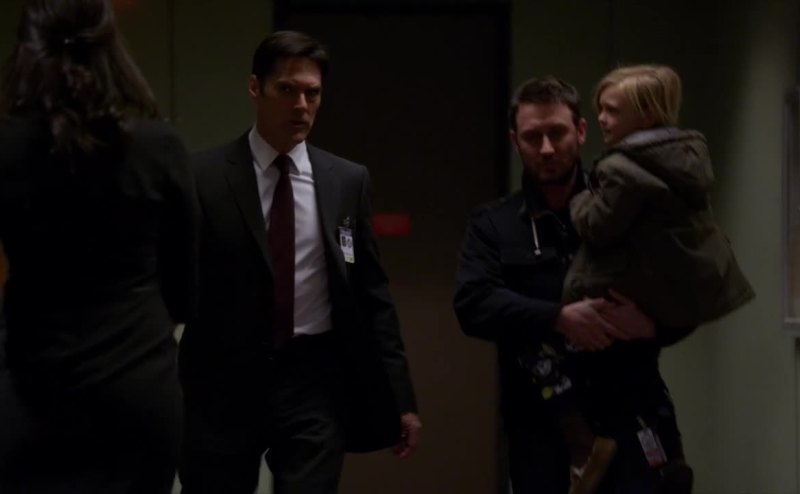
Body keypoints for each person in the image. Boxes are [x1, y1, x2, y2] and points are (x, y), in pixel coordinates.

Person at [178, 30, 421, 494]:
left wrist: (401, 398)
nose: (301, 105)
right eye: (287, 89)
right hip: (222, 378)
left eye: (312, 93)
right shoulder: (202, 176)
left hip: (312, 379)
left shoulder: (346, 181)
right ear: (256, 88)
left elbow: (372, 295)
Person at [453, 76, 694, 494]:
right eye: (533, 137)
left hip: (633, 413)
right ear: (515, 141)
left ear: (581, 132)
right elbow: (473, 304)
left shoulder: (628, 208)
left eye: (557, 133)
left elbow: (691, 293)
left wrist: (653, 325)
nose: (546, 148)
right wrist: (558, 318)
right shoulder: (494, 224)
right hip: (543, 430)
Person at [0, 0, 197, 492]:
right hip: (138, 392)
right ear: (111, 49)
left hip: (30, 389)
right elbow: (186, 292)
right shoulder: (160, 148)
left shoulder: (7, 149)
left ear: (27, 51)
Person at [544, 64, 755, 492]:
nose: (602, 119)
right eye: (600, 109)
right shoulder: (683, 160)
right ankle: (654, 463)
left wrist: (580, 199)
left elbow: (596, 225)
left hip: (612, 319)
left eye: (612, 110)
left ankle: (602, 454)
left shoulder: (624, 170)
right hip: (651, 312)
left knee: (576, 380)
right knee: (637, 402)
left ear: (647, 114)